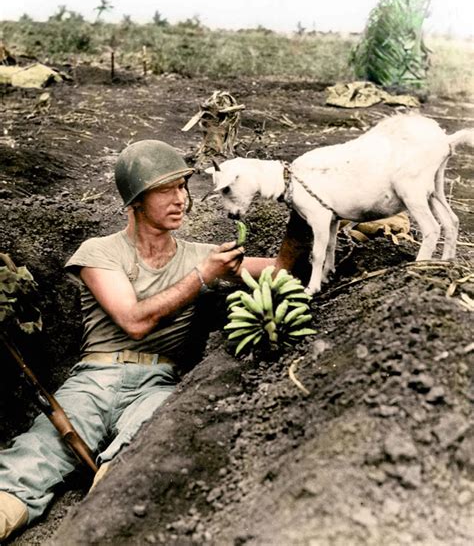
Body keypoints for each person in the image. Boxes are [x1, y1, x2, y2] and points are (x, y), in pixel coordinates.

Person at [0, 139, 306, 541]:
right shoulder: (100, 251)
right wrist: (204, 275)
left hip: (159, 385)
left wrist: (302, 216)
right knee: (30, 463)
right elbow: (134, 321)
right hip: (94, 381)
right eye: (166, 189)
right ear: (136, 201)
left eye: (182, 187)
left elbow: (282, 271)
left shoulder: (202, 255)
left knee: (138, 463)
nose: (180, 199)